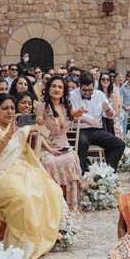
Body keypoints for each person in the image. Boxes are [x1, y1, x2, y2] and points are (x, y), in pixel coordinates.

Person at [0, 94, 65, 259]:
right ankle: (19, 248)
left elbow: (40, 133)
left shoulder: (15, 126)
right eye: (5, 108)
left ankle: (38, 239)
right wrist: (9, 134)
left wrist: (38, 123)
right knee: (24, 198)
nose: (9, 112)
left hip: (10, 171)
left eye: (12, 108)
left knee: (49, 189)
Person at [40, 75, 83, 210]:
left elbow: (75, 113)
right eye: (53, 86)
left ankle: (69, 202)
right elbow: (38, 128)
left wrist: (80, 112)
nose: (56, 89)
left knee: (70, 159)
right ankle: (52, 201)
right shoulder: (41, 106)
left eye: (60, 87)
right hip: (46, 145)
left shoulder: (66, 106)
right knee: (49, 162)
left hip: (63, 144)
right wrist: (39, 121)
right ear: (48, 89)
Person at [68, 73, 126, 173]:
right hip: (79, 130)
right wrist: (85, 119)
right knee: (81, 143)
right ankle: (81, 174)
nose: (87, 93)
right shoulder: (71, 95)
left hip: (97, 130)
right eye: (84, 90)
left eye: (90, 90)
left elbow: (111, 115)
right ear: (79, 85)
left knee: (119, 144)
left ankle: (108, 172)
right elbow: (69, 117)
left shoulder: (99, 94)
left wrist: (108, 110)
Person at [97, 72, 124, 138]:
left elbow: (116, 111)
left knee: (116, 127)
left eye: (107, 79)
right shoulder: (97, 93)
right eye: (103, 79)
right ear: (100, 81)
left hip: (112, 118)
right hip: (99, 118)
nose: (105, 81)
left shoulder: (114, 92)